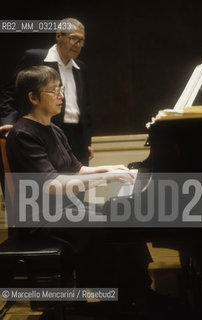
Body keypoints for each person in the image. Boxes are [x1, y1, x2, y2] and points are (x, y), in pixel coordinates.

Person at [6, 65, 155, 313]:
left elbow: (76, 169)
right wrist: (107, 179)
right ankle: (122, 299)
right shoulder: (23, 134)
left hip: (65, 210)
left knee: (125, 220)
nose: (61, 95)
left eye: (60, 89)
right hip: (43, 218)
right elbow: (52, 185)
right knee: (109, 227)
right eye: (53, 90)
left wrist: (109, 169)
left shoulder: (54, 129)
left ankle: (137, 292)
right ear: (32, 97)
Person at [0, 17, 93, 166]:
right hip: (44, 131)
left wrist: (87, 141)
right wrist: (9, 122)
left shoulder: (81, 67)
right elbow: (10, 93)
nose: (78, 45)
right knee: (49, 184)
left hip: (77, 138)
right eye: (74, 38)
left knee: (79, 185)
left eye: (82, 41)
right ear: (58, 36)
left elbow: (85, 108)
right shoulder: (35, 57)